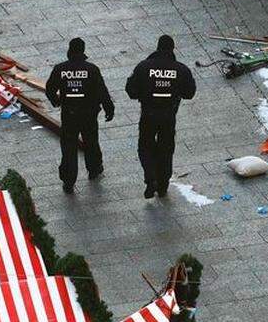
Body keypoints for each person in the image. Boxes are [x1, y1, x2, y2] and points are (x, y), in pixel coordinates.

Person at [125, 35, 196, 199]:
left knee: (145, 147)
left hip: (148, 114)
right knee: (166, 149)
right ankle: (163, 185)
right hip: (168, 115)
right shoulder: (181, 69)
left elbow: (131, 90)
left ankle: (150, 178)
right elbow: (190, 93)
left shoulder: (143, 67)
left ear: (157, 47)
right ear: (172, 49)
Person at [45, 38, 114, 194]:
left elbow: (49, 89)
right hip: (89, 114)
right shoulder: (92, 70)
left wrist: (56, 101)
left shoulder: (60, 69)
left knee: (69, 146)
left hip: (69, 114)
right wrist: (109, 108)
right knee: (91, 141)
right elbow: (102, 91)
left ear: (70, 50)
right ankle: (94, 169)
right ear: (83, 51)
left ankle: (69, 180)